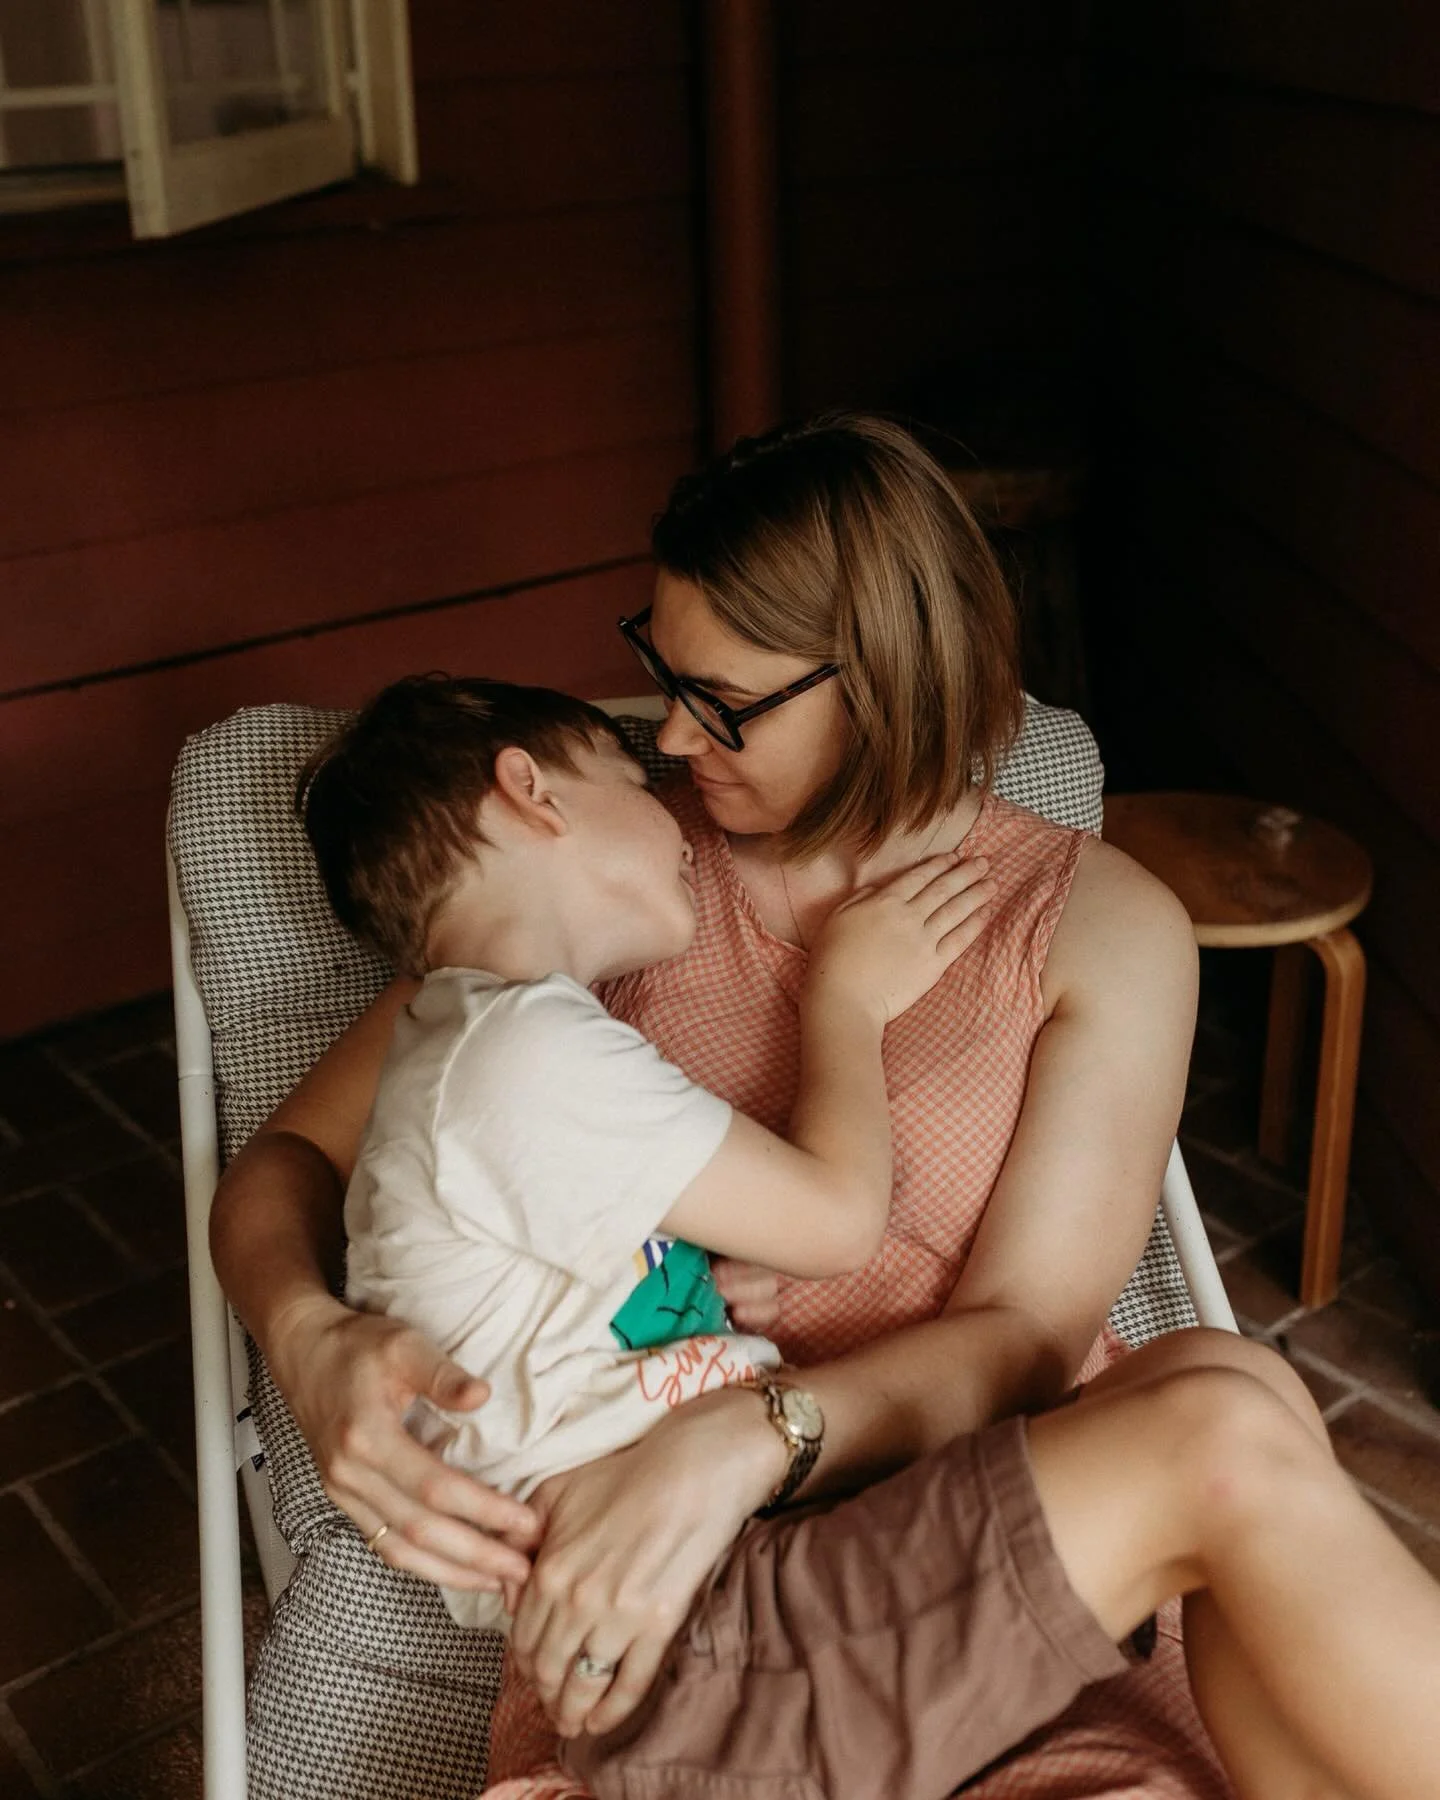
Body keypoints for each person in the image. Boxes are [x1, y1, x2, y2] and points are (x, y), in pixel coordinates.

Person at [212, 415, 1440, 1800]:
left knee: (1214, 1411)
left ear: (889, 678)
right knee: (1226, 1408)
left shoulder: (1095, 922)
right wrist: (307, 1337)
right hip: (690, 1618)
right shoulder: (619, 876)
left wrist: (748, 1440)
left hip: (1032, 1544)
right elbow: (288, 1163)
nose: (669, 735)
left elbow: (1030, 1338)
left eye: (723, 700)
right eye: (658, 672)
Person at [296, 673, 992, 1641]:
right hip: (678, 1576)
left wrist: (689, 1279)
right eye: (634, 778)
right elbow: (837, 1224)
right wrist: (847, 1000)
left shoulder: (475, 1045)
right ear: (533, 791)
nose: (678, 825)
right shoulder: (521, 1048)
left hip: (675, 1547)